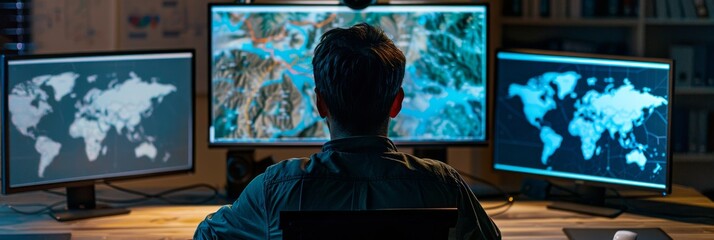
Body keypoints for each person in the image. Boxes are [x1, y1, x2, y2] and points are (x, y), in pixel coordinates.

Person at [194, 23, 501, 240]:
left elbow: (207, 236)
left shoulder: (276, 188)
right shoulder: (443, 185)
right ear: (396, 104)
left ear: (320, 104)